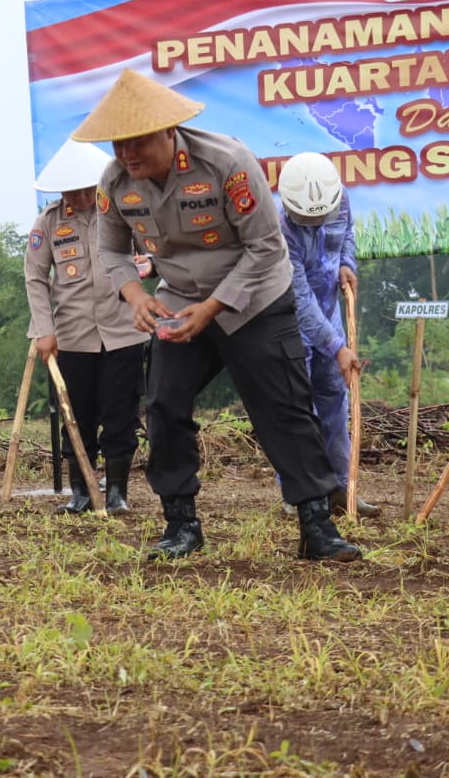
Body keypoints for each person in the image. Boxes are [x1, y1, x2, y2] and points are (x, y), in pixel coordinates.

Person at [72, 68, 360, 562]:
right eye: (118, 144)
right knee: (162, 404)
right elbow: (111, 252)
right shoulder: (116, 183)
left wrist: (215, 307)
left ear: (169, 130)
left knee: (284, 406)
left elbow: (267, 248)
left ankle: (317, 524)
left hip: (256, 300)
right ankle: (180, 523)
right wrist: (136, 298)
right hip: (181, 301)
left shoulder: (227, 161)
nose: (127, 155)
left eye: (138, 142)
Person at [25, 138, 147, 515]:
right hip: (73, 337)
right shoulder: (49, 222)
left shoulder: (124, 212)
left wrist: (149, 268)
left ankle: (117, 493)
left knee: (120, 414)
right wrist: (44, 330)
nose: (74, 197)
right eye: (67, 190)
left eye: (80, 190)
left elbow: (152, 254)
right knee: (76, 414)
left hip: (124, 331)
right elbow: (34, 275)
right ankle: (81, 490)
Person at [275, 152, 380, 518]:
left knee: (335, 399)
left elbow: (346, 233)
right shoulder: (281, 231)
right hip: (291, 323)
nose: (317, 222)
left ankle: (339, 487)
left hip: (331, 314)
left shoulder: (341, 198)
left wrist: (347, 263)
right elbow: (299, 299)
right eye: (308, 218)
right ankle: (300, 494)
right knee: (298, 408)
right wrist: (337, 347)